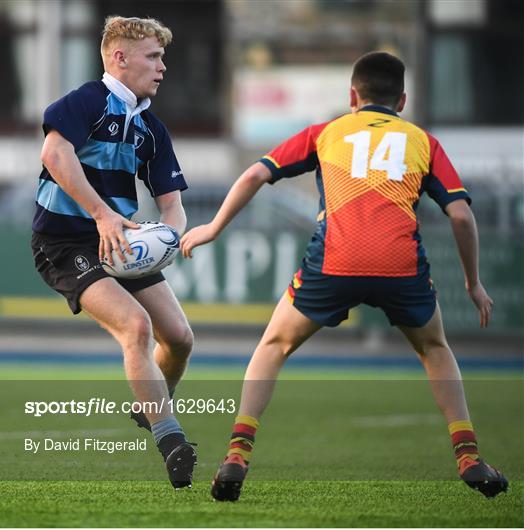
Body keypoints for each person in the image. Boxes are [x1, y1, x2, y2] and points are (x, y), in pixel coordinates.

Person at [180, 52, 508, 501]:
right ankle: (469, 457)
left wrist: (213, 227)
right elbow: (461, 217)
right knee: (435, 348)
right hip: (400, 266)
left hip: (335, 261)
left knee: (274, 345)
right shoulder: (423, 142)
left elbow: (257, 172)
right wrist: (473, 282)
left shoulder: (326, 132)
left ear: (353, 96)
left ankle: (237, 452)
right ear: (403, 100)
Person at [31, 16, 196, 489]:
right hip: (64, 243)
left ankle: (150, 410)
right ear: (119, 58)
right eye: (153, 56)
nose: (163, 66)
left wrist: (167, 239)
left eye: (162, 57)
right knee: (136, 326)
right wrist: (102, 214)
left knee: (181, 338)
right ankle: (172, 440)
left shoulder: (152, 128)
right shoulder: (86, 101)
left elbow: (173, 205)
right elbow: (54, 156)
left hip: (120, 243)